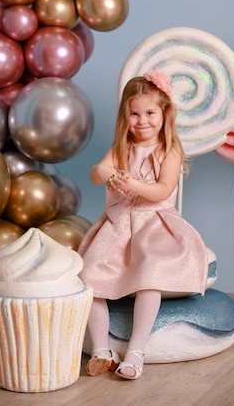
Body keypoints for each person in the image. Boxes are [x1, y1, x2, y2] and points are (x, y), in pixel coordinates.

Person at [78, 70, 208, 380]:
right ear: (125, 116)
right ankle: (102, 350)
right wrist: (104, 172)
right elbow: (96, 174)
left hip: (154, 224)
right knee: (88, 279)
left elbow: (162, 191)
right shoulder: (121, 147)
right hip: (119, 224)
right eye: (134, 113)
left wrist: (132, 184)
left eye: (150, 112)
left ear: (164, 113)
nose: (142, 120)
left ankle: (136, 350)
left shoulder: (169, 150)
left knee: (149, 276)